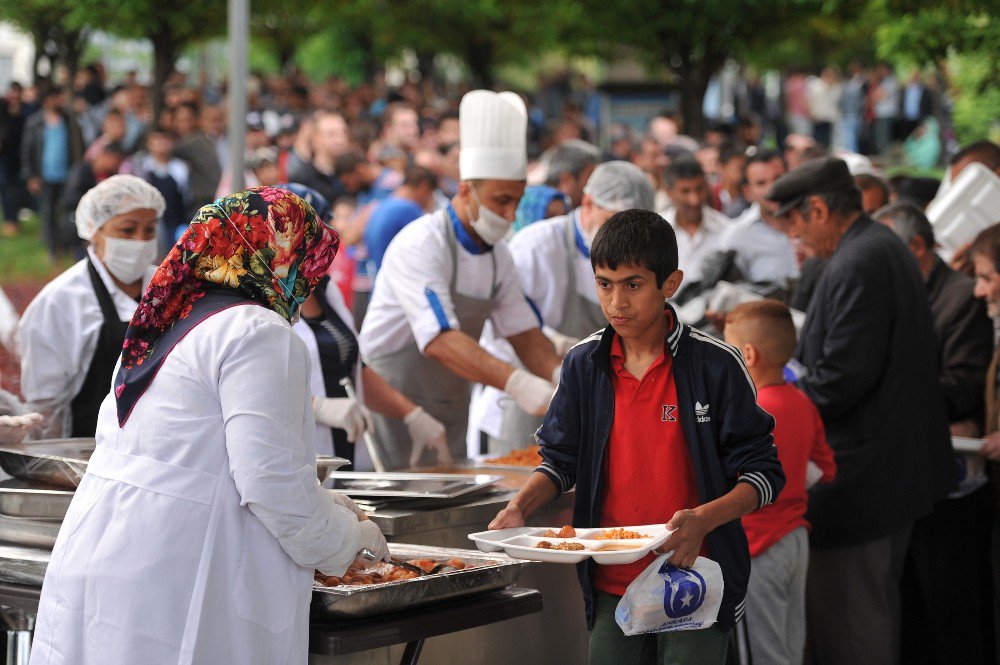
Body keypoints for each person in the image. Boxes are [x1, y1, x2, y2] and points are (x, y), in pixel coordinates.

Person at [29, 187, 389, 665]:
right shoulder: (258, 331)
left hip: (110, 548)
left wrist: (322, 502)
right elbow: (270, 482)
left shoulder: (169, 317)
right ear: (275, 254)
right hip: (175, 568)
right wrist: (345, 542)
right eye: (305, 263)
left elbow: (189, 447)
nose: (309, 280)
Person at [489, 209, 785, 665]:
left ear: (670, 284)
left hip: (697, 578)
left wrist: (703, 520)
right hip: (612, 582)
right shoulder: (584, 364)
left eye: (633, 284)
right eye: (604, 284)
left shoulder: (715, 366)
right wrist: (519, 507)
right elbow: (560, 459)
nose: (616, 304)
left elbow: (764, 474)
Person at [768, 157, 955, 665]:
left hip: (864, 480)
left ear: (820, 209)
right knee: (869, 611)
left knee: (852, 622)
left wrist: (770, 400)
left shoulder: (859, 261)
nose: (796, 241)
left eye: (795, 225)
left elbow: (839, 381)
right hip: (888, 473)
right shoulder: (875, 246)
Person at [358, 90, 562, 469]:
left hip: (451, 406)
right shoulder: (422, 244)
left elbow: (523, 333)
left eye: (516, 202)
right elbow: (439, 340)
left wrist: (558, 376)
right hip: (394, 407)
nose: (510, 213)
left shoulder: (499, 255)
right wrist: (517, 383)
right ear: (466, 190)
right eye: (501, 201)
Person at [875, 203, 996, 665]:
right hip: (912, 478)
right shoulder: (906, 294)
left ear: (917, 248)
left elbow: (963, 387)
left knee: (952, 610)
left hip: (954, 483)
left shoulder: (962, 295)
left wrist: (886, 394)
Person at [471, 161, 655, 455]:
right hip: (527, 398)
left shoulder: (640, 257)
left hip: (595, 396)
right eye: (615, 220)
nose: (625, 235)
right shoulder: (536, 247)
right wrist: (553, 347)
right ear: (588, 202)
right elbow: (502, 328)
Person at [279, 183, 450, 470]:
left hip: (351, 457)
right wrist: (318, 407)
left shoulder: (325, 290)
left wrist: (412, 414)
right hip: (300, 458)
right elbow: (255, 390)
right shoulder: (261, 305)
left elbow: (354, 366)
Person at [723, 300, 836, 665]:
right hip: (795, 541)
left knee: (763, 652)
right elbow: (825, 468)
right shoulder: (803, 402)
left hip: (757, 546)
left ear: (749, 354)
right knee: (790, 646)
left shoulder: (751, 411)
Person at [18, 175, 166, 439]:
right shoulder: (61, 301)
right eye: (127, 230)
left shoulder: (169, 289)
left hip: (158, 445)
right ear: (93, 231)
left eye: (150, 230)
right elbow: (46, 404)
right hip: (85, 448)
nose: (141, 240)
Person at [20, 87, 85, 257]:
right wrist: (30, 176)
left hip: (66, 175)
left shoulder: (69, 120)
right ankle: (52, 248)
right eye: (57, 98)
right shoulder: (35, 122)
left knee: (65, 212)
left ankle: (66, 244)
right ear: (48, 100)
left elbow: (78, 146)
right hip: (44, 176)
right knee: (47, 212)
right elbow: (27, 150)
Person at [722, 150, 797, 286]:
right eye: (761, 183)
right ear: (748, 192)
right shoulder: (737, 235)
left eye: (778, 178)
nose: (772, 189)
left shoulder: (813, 221)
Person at [658, 158, 730, 288]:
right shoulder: (655, 232)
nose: (694, 200)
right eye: (685, 191)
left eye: (699, 189)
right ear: (669, 192)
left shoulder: (725, 229)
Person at [363, 166, 438, 276]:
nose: (430, 200)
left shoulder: (384, 204)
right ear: (424, 186)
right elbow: (425, 250)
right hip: (395, 279)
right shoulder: (408, 209)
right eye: (431, 194)